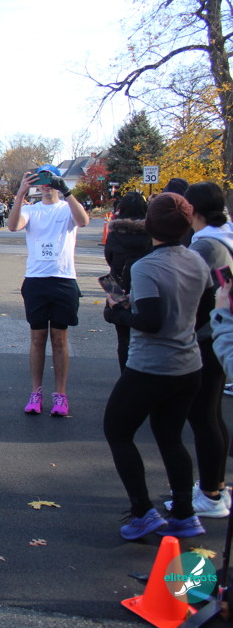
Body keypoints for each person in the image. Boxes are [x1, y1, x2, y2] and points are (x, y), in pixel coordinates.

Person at [104, 193, 210, 539]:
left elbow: (150, 321)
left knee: (117, 431)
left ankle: (142, 511)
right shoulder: (196, 261)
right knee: (170, 437)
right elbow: (205, 309)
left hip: (151, 365)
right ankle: (184, 513)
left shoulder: (146, 267)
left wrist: (119, 313)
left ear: (150, 225)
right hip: (188, 364)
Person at [160, 182, 233, 519]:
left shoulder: (206, 246)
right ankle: (215, 485)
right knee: (211, 415)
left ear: (194, 210)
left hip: (208, 336)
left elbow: (191, 290)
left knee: (203, 417)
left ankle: (210, 494)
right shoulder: (223, 236)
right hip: (217, 332)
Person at [7, 165, 90, 416]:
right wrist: (20, 193)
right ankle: (36, 392)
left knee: (60, 339)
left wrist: (67, 191)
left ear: (57, 181)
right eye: (40, 179)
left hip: (63, 279)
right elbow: (13, 226)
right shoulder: (31, 210)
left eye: (49, 178)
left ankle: (60, 395)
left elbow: (83, 221)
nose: (45, 184)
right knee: (37, 338)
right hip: (36, 280)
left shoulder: (66, 208)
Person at [103, 191, 152, 373]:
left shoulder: (115, 233)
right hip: (144, 285)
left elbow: (109, 258)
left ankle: (126, 374)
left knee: (122, 337)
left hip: (117, 284)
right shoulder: (151, 233)